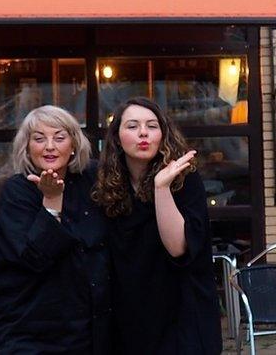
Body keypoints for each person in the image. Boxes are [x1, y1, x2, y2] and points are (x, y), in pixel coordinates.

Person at [92, 97, 222, 354]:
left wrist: (161, 187)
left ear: (163, 134)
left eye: (152, 126)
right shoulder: (105, 184)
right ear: (117, 137)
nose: (143, 132)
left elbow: (178, 248)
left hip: (181, 312)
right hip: (129, 314)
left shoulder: (185, 178)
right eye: (132, 126)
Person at [0, 105, 109, 354]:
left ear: (74, 144)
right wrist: (52, 200)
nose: (50, 146)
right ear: (27, 147)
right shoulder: (16, 192)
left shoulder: (91, 180)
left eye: (59, 137)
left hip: (88, 332)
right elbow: (36, 258)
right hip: (30, 332)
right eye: (39, 139)